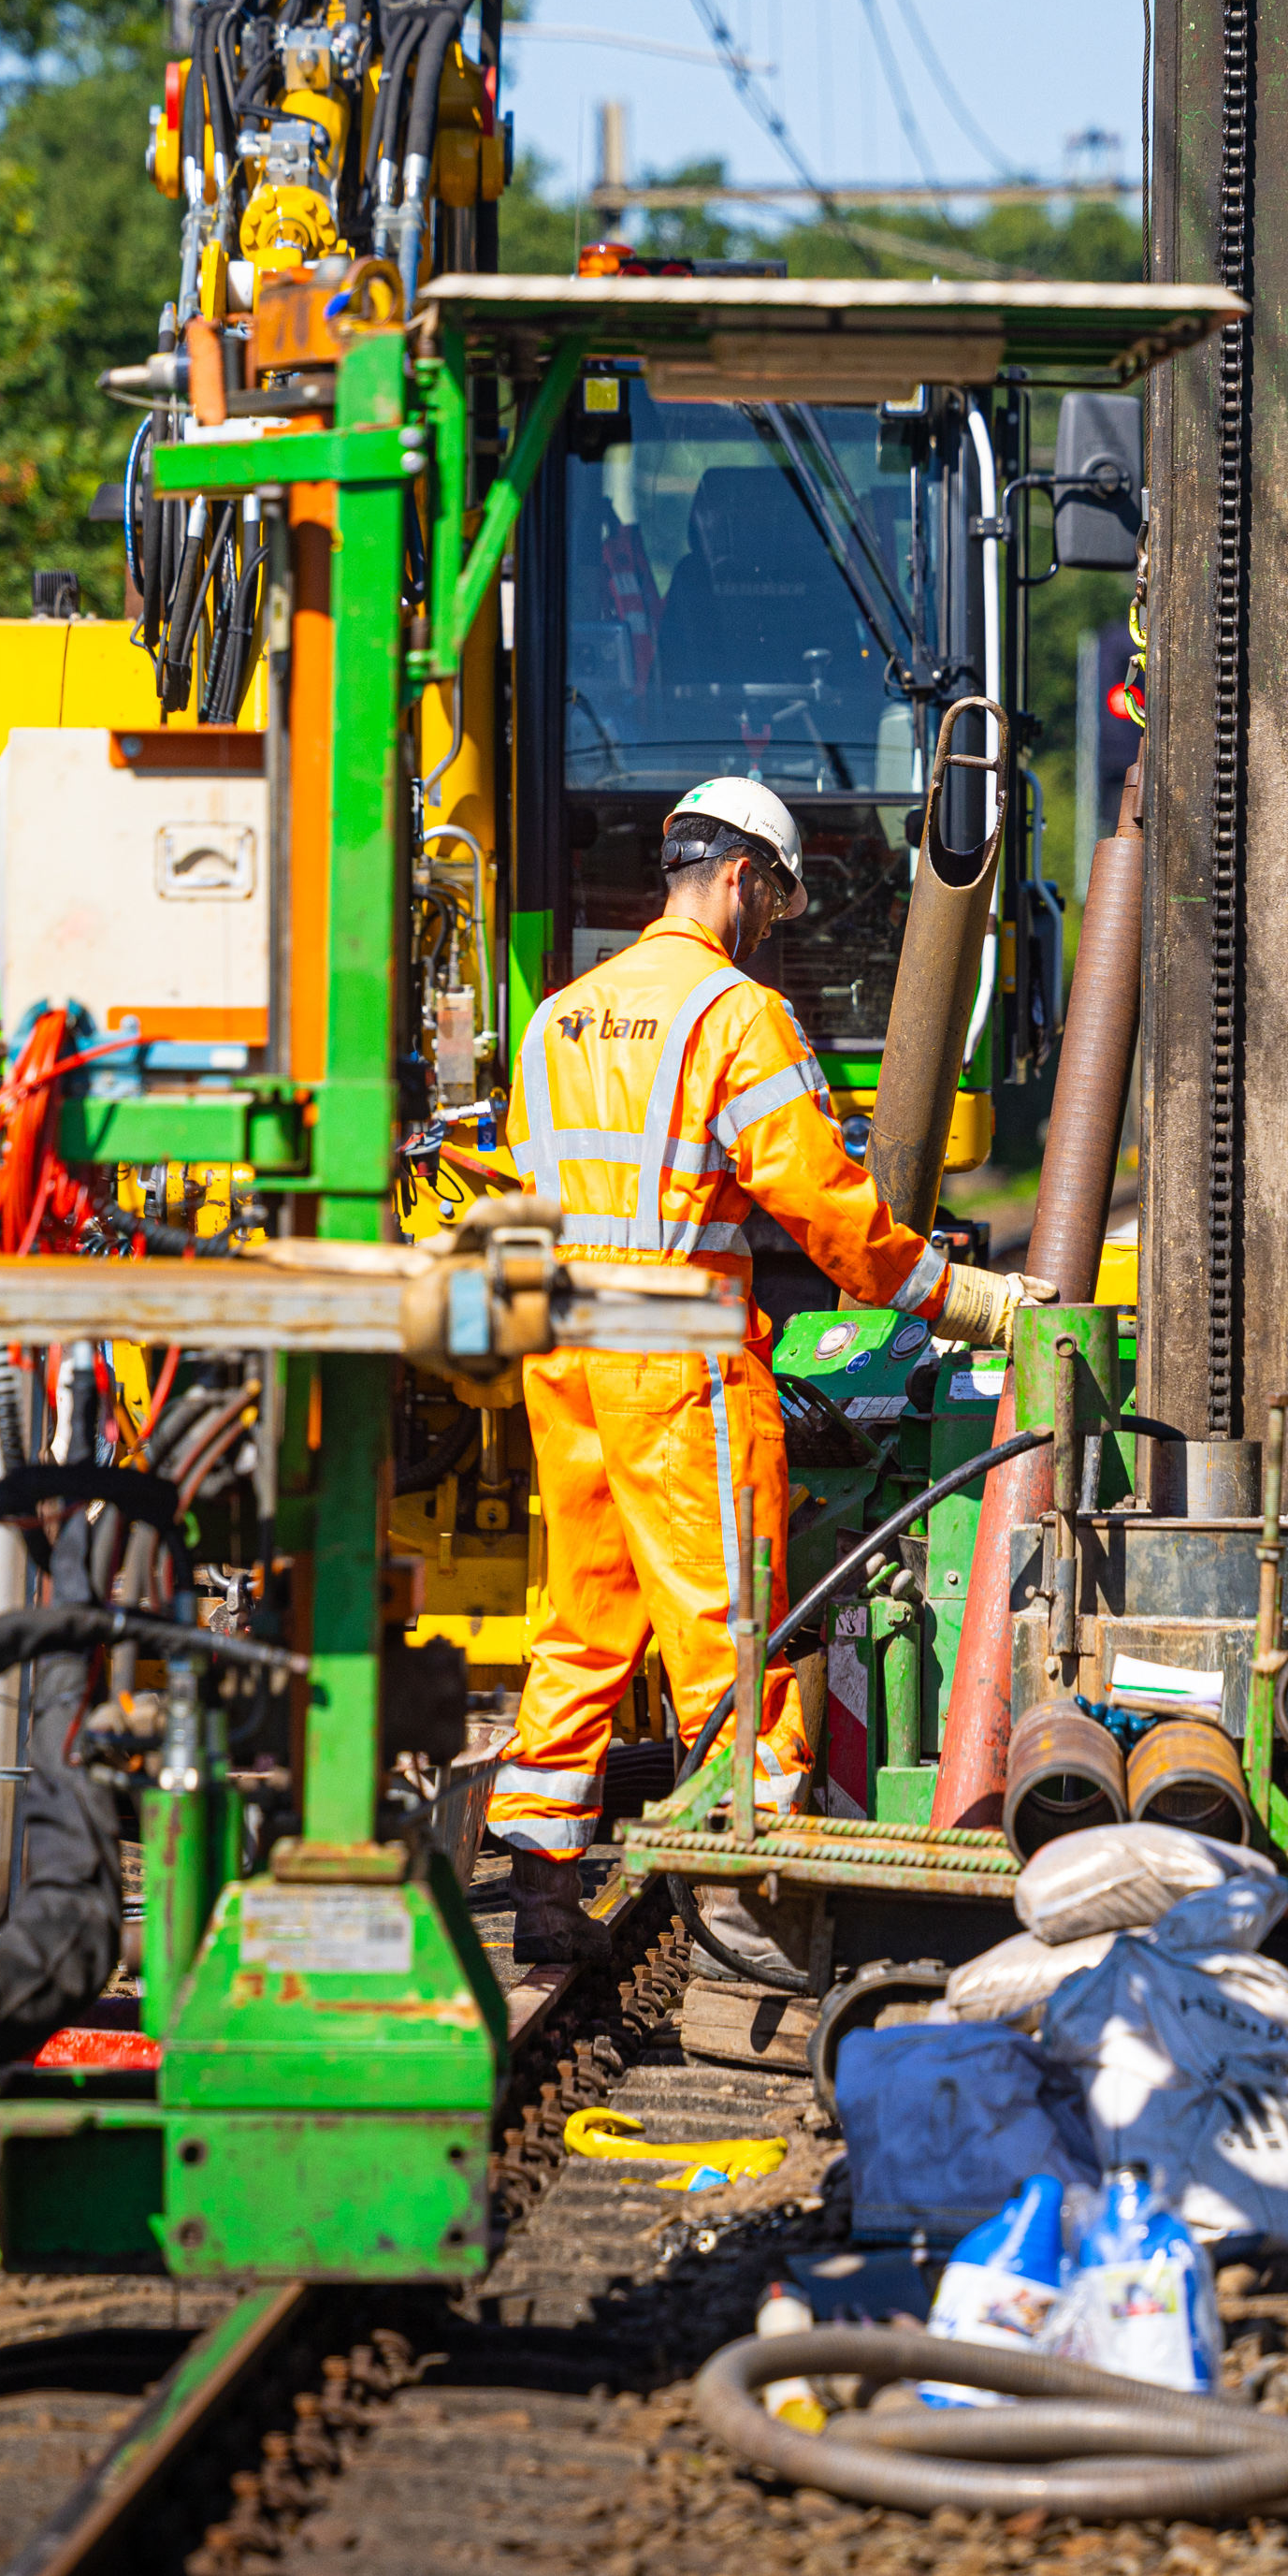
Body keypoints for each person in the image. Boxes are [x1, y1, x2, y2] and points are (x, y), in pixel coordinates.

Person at [485, 776, 1035, 1960]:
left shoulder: (557, 1017)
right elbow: (823, 1205)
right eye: (777, 902)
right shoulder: (732, 1015)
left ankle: (538, 1890)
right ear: (740, 877)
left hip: (565, 1354)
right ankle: (758, 1894)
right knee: (738, 1623)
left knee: (583, 1615)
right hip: (674, 1361)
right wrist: (963, 1298)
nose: (773, 927)